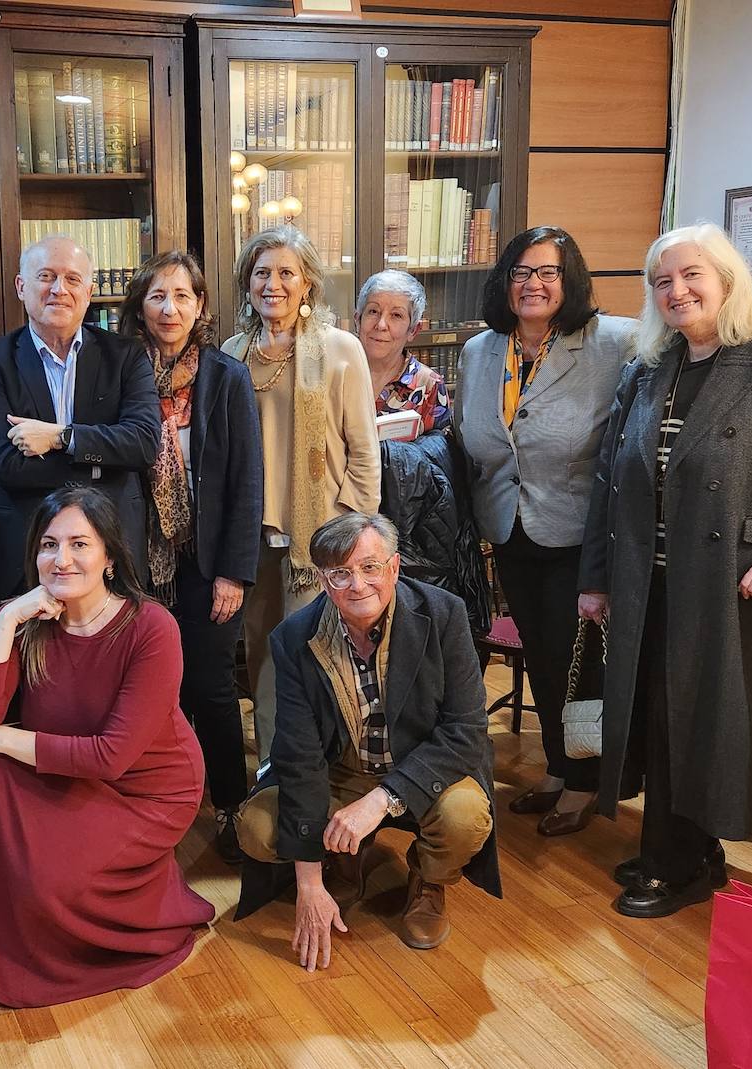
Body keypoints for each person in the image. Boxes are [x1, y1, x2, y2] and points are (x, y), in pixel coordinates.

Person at [578, 222, 752, 918]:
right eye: (662, 280)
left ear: (728, 278)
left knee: (700, 725)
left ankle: (677, 861)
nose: (676, 290)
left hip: (736, 588)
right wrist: (596, 578)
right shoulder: (650, 368)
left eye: (691, 274)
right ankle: (684, 850)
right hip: (650, 581)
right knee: (658, 717)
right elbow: (611, 483)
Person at [0, 486, 213, 1007]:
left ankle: (136, 912)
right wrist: (7, 620)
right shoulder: (25, 621)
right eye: (49, 545)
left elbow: (111, 756)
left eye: (80, 544)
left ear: (108, 557)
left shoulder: (150, 627)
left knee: (47, 879)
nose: (63, 559)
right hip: (68, 775)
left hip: (147, 794)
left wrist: (4, 738)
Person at [235, 513, 499, 967]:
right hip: (342, 771)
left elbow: (465, 730)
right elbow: (299, 755)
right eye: (340, 573)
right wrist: (309, 883)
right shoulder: (294, 638)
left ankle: (429, 880)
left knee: (466, 816)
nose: (357, 585)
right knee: (256, 828)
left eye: (369, 567)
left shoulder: (444, 614)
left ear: (394, 567)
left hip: (420, 770)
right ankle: (342, 859)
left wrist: (381, 800)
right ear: (322, 580)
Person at [452, 225, 634, 835]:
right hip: (508, 530)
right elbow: (472, 439)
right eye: (522, 273)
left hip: (580, 535)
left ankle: (586, 783)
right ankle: (558, 768)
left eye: (548, 272)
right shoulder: (482, 352)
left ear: (571, 280)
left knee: (579, 662)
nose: (533, 284)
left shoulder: (614, 342)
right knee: (542, 655)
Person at [116, 250, 264, 863]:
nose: (169, 308)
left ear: (200, 305)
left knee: (210, 689)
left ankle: (230, 805)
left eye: (182, 295)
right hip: (135, 562)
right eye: (156, 295)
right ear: (140, 306)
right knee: (148, 691)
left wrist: (234, 570)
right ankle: (159, 808)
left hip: (205, 565)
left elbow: (245, 479)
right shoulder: (121, 372)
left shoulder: (225, 377)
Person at [222, 226, 381, 760]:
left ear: (308, 283)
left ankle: (327, 768)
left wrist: (351, 535)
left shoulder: (340, 350)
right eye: (262, 273)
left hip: (319, 540)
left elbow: (363, 450)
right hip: (253, 538)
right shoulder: (232, 352)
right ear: (248, 283)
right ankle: (273, 769)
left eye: (286, 273)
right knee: (264, 655)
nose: (274, 284)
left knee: (322, 656)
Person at [0, 234, 159, 606]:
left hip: (113, 555)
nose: (59, 289)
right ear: (22, 287)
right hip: (23, 558)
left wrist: (60, 437)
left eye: (72, 279)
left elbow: (143, 444)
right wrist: (104, 465)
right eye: (46, 276)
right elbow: (6, 466)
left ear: (88, 291)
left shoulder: (126, 357)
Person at [355, 270, 450, 433]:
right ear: (358, 319)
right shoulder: (335, 373)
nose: (381, 325)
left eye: (396, 315)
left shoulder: (429, 385)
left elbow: (440, 453)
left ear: (413, 329)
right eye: (373, 311)